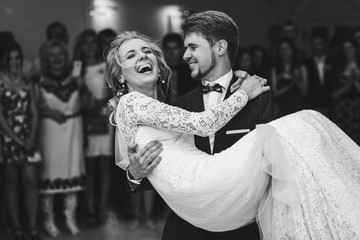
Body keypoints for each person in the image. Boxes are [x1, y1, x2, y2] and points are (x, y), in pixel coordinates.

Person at [106, 28, 360, 239]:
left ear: (219, 48)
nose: (143, 57)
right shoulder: (152, 105)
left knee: (298, 132)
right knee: (306, 122)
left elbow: (279, 162)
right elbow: (199, 127)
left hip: (239, 214)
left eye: (147, 51)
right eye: (131, 55)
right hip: (195, 212)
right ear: (120, 74)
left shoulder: (168, 108)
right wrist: (134, 174)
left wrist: (245, 90)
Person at [125, 11, 281, 240]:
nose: (185, 55)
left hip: (242, 229)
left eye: (192, 47)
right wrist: (135, 174)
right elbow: (164, 171)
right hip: (187, 228)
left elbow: (278, 168)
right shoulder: (179, 107)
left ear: (219, 48)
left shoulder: (259, 99)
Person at [36, 40, 87, 237]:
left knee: (71, 175)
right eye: (52, 55)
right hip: (49, 133)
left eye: (60, 54)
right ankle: (49, 221)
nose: (57, 59)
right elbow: (33, 107)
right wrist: (48, 113)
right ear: (46, 59)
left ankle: (70, 219)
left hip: (73, 131)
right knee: (48, 176)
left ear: (66, 57)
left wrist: (83, 88)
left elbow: (86, 104)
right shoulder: (37, 80)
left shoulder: (75, 78)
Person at [0, 42, 42, 240]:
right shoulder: (0, 82)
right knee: (11, 185)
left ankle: (32, 227)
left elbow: (34, 112)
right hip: (9, 138)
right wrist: (16, 139)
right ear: (5, 62)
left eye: (17, 58)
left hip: (28, 137)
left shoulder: (28, 82)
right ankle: (17, 227)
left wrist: (31, 137)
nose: (14, 62)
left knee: (31, 182)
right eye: (11, 59)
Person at [73, 29, 115, 225]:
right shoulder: (77, 66)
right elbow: (73, 89)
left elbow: (113, 90)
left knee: (104, 166)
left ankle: (103, 207)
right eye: (85, 43)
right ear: (81, 46)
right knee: (89, 167)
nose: (89, 46)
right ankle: (90, 208)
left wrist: (101, 103)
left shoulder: (106, 65)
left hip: (105, 118)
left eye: (92, 42)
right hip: (86, 120)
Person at [270, 37, 308, 115]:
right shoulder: (275, 70)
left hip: (298, 108)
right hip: (282, 108)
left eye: (287, 48)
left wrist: (297, 80)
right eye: (282, 49)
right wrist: (291, 84)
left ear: (292, 50)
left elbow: (305, 92)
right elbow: (275, 94)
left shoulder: (301, 68)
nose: (285, 51)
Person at [304, 32, 334, 117]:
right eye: (314, 44)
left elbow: (334, 85)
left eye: (319, 44)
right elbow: (307, 88)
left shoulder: (333, 61)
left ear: (324, 45)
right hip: (313, 107)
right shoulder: (306, 64)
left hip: (332, 106)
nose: (317, 47)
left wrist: (329, 106)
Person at [162, 32, 197, 101]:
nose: (171, 52)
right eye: (168, 48)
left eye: (175, 48)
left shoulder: (190, 71)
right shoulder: (160, 72)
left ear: (181, 50)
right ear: (164, 50)